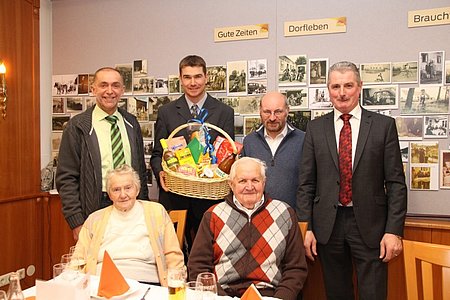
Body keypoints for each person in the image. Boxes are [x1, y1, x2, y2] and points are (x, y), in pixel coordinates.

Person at [297, 61, 407, 300]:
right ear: (328, 89)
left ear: (360, 87)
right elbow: (306, 183)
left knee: (374, 294)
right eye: (335, 86)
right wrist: (305, 227)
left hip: (372, 227)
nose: (342, 92)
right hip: (328, 227)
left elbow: (396, 184)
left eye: (348, 85)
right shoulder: (315, 128)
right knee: (337, 294)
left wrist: (393, 231)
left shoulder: (383, 126)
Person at [188, 157, 307, 300]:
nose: (249, 187)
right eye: (242, 181)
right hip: (224, 294)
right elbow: (198, 267)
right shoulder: (213, 215)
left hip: (269, 294)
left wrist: (281, 298)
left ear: (264, 183)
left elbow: (296, 269)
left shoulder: (285, 213)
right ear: (231, 185)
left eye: (255, 180)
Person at [150, 55, 234, 253]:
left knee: (211, 254)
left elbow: (228, 156)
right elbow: (157, 154)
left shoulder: (224, 112)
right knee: (174, 254)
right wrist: (159, 171)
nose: (193, 82)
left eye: (198, 76)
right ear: (180, 79)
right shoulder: (166, 112)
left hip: (210, 198)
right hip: (176, 196)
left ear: (206, 78)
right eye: (187, 77)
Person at [56, 67, 148, 241]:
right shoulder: (77, 127)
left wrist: (145, 209)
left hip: (132, 207)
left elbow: (141, 171)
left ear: (122, 90)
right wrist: (76, 222)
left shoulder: (131, 123)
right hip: (95, 208)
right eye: (103, 85)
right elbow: (66, 178)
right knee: (98, 263)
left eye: (115, 85)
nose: (109, 91)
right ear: (93, 89)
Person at [71, 164, 184, 285]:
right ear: (109, 195)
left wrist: (174, 286)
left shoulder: (156, 212)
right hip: (102, 285)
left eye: (128, 188)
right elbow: (78, 260)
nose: (123, 195)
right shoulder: (94, 219)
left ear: (137, 189)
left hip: (146, 283)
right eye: (116, 190)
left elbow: (173, 256)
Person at [241, 91, 305, 210]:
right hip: (257, 217)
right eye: (267, 112)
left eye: (278, 112)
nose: (272, 118)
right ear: (260, 111)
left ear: (287, 111)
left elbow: (309, 185)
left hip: (292, 218)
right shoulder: (249, 142)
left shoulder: (304, 140)